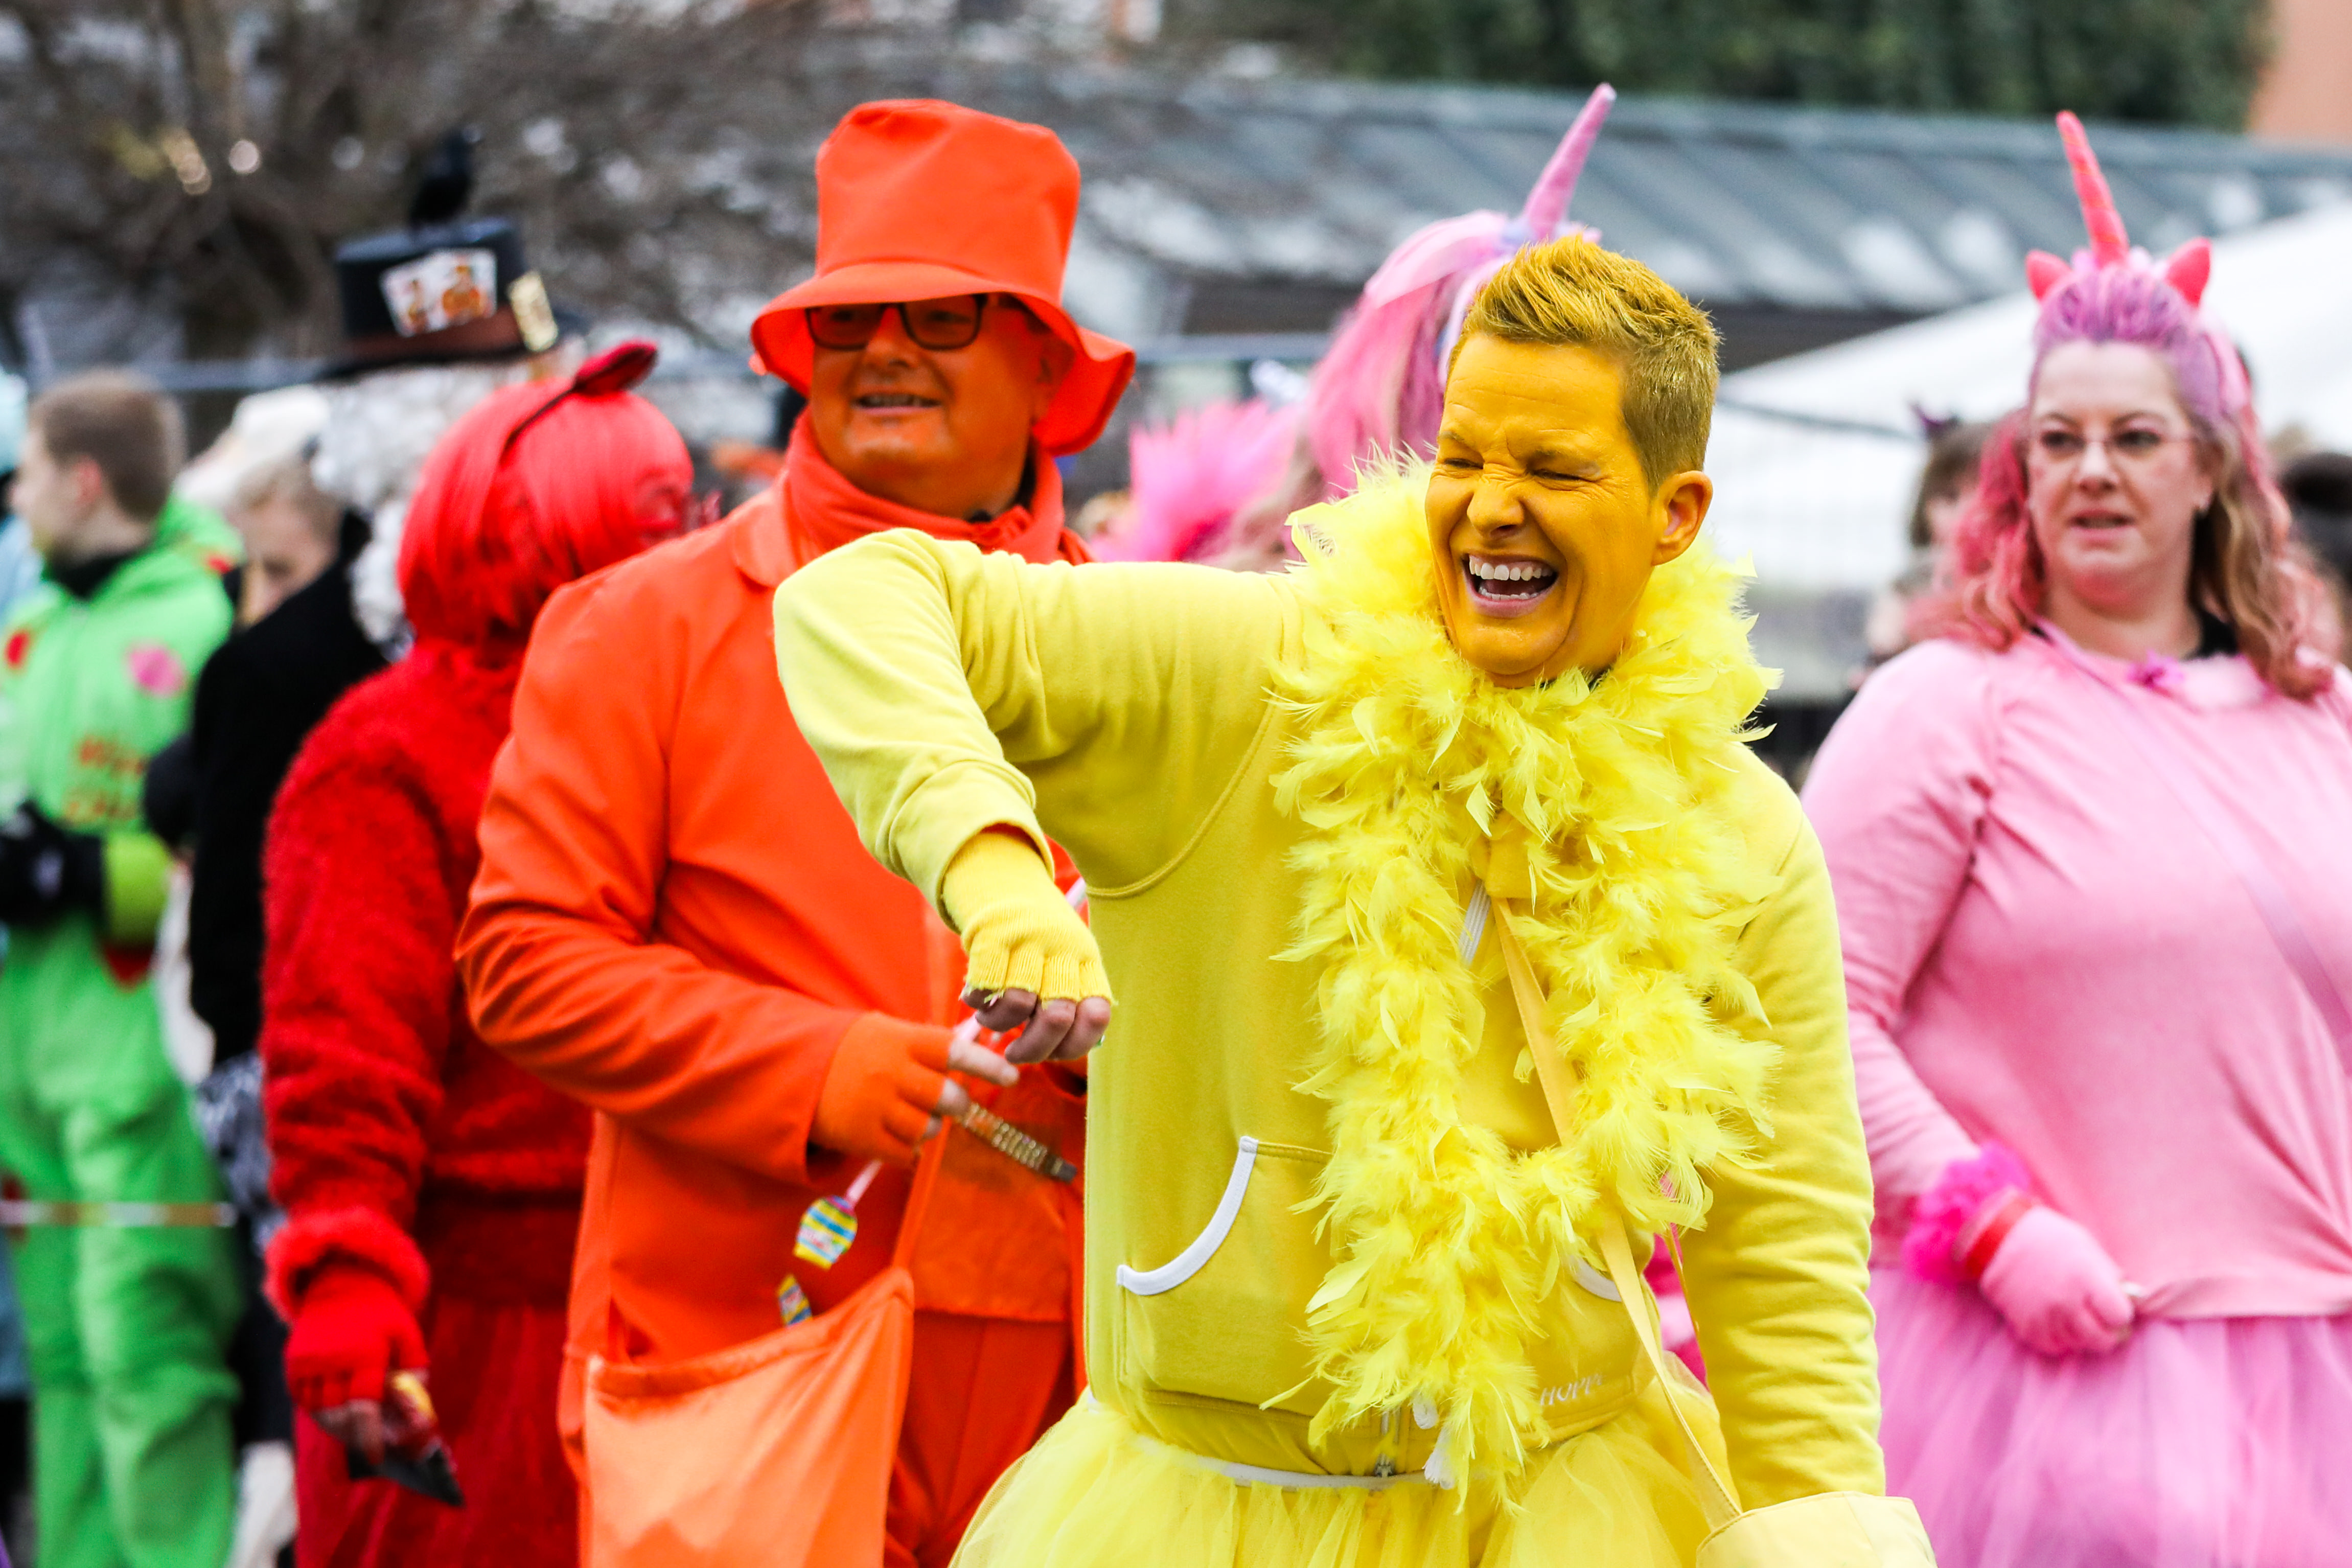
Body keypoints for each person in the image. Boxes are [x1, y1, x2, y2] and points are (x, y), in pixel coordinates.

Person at [775, 235, 1928, 1566]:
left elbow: (1782, 1251)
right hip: (1196, 1515)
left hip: (1558, 1513)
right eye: (1465, 458)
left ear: (1676, 514)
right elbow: (862, 599)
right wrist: (998, 877)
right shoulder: (1253, 676)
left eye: (1553, 470)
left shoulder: (1742, 831)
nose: (1492, 508)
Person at [457, 100, 1135, 1563]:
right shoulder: (642, 627)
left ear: (1043, 361)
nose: (885, 351)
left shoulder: (1145, 645)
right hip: (747, 1388)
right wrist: (815, 1068)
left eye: (940, 316)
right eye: (848, 320)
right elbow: (521, 963)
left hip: (1078, 1423)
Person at [1801, 114, 2352, 1568]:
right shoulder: (1945, 705)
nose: (2092, 470)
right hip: (2034, 1372)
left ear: (2212, 469)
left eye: (2134, 437)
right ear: (2017, 473)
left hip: (2314, 1376)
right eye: (2059, 439)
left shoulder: (2324, 715)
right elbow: (1802, 1005)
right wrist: (1990, 1227)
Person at [261, 342, 691, 1567]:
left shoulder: (684, 718)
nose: (688, 535)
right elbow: (342, 1040)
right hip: (482, 1329)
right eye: (654, 511)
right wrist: (348, 1262)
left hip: (684, 1302)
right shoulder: (390, 754)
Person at [0, 371, 243, 1568]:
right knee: (62, 1359)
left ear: (84, 480)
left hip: (145, 1054)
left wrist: (91, 875)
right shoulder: (34, 626)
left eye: (32, 470)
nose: (18, 495)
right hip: (30, 1059)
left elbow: (241, 851)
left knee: (146, 1352)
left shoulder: (205, 618)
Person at [1860, 417, 1992, 667]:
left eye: (1985, 495)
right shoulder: (1913, 582)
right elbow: (1884, 642)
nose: (1966, 511)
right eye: (1950, 498)